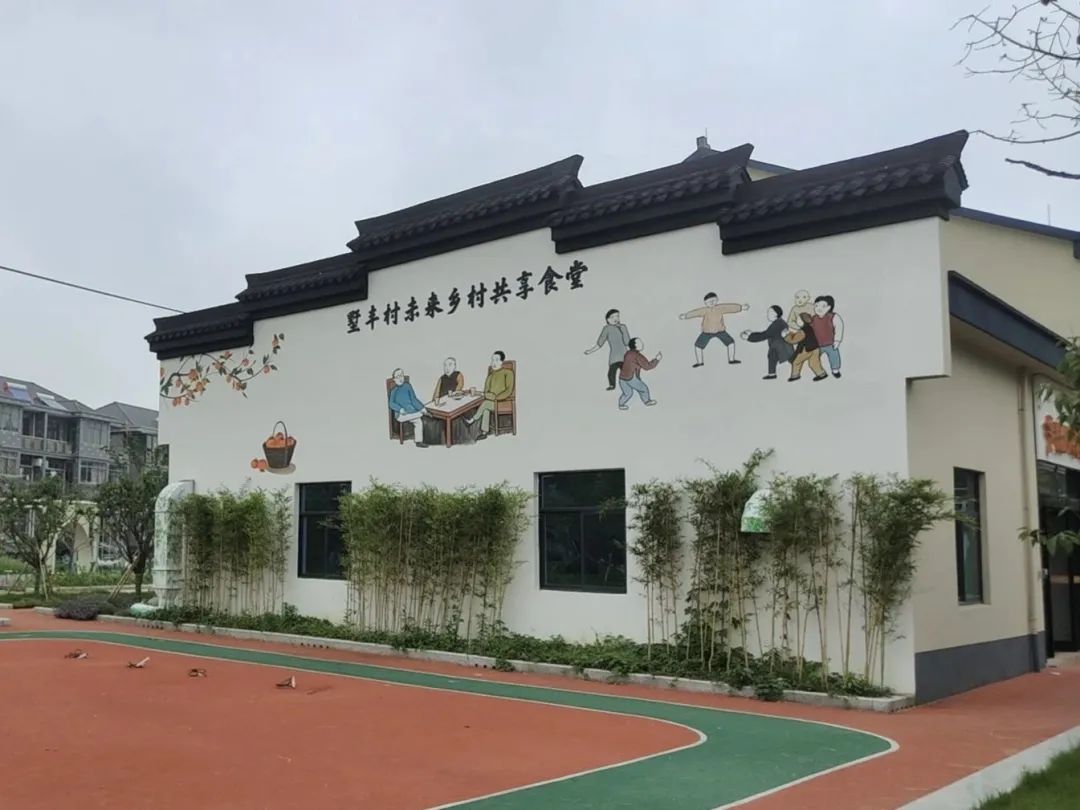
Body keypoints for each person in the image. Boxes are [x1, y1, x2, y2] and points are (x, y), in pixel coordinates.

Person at [679, 292, 749, 367]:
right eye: (709, 301)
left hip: (720, 331)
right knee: (698, 346)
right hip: (707, 332)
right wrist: (686, 316)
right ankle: (700, 362)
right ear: (705, 303)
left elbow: (730, 307)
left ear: (717, 300)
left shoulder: (720, 308)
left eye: (713, 300)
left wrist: (741, 307)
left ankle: (731, 360)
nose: (712, 303)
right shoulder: (705, 310)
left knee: (731, 342)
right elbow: (695, 312)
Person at [465, 351, 515, 439]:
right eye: (492, 360)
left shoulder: (508, 373)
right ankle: (484, 432)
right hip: (491, 402)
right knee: (486, 408)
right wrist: (480, 393)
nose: (493, 362)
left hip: (504, 402)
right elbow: (485, 391)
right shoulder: (490, 376)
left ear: (501, 362)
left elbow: (508, 391)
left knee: (485, 404)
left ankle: (472, 420)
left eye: (496, 360)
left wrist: (495, 397)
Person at [740, 305, 793, 380]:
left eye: (769, 312)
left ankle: (772, 374)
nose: (767, 314)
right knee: (773, 357)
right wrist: (751, 334)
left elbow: (765, 335)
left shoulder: (777, 324)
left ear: (775, 314)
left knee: (781, 357)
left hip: (781, 347)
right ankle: (772, 374)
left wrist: (749, 337)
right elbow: (766, 333)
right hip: (780, 346)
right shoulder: (779, 322)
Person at [584, 309, 631, 390]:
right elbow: (600, 343)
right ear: (608, 320)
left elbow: (627, 342)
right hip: (614, 357)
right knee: (611, 372)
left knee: (627, 373)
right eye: (612, 317)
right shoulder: (607, 328)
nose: (616, 318)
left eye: (617, 316)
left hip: (625, 356)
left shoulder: (623, 327)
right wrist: (590, 351)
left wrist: (623, 330)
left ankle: (629, 385)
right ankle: (612, 385)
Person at [387, 368, 429, 447]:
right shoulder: (394, 391)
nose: (400, 378)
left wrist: (421, 408)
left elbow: (413, 399)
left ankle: (419, 442)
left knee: (419, 422)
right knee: (420, 416)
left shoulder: (408, 386)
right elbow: (391, 404)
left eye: (401, 376)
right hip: (401, 414)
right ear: (394, 379)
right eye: (398, 377)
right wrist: (400, 409)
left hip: (411, 412)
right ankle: (420, 414)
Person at [618, 338, 660, 410]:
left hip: (622, 378)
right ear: (635, 346)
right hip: (631, 378)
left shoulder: (627, 353)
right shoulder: (637, 355)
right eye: (640, 343)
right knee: (644, 389)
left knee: (628, 393)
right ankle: (647, 401)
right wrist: (656, 360)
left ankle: (621, 404)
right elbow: (647, 366)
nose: (642, 344)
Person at [784, 313, 827, 382]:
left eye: (798, 320)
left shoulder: (802, 331)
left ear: (803, 321)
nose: (797, 321)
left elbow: (793, 340)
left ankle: (795, 375)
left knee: (796, 362)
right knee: (814, 363)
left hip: (807, 350)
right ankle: (822, 374)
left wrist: (786, 336)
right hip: (815, 348)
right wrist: (791, 333)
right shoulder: (810, 328)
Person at [811, 295, 844, 378]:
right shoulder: (813, 318)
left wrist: (837, 340)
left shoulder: (833, 316)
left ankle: (835, 370)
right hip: (817, 344)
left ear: (829, 307)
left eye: (823, 306)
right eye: (816, 306)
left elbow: (839, 328)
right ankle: (820, 372)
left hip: (830, 343)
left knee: (834, 356)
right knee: (814, 358)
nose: (819, 308)